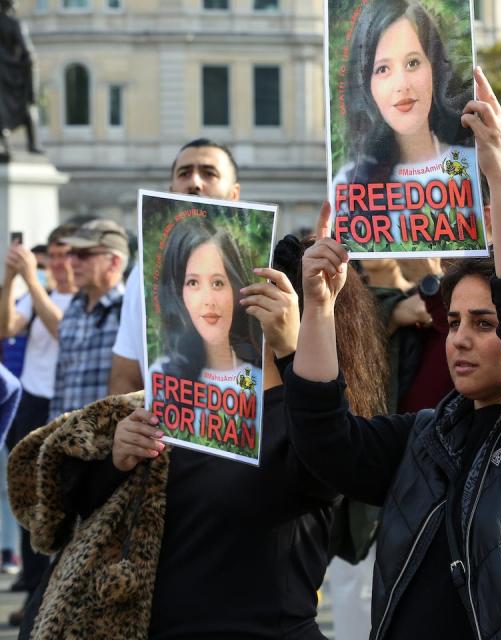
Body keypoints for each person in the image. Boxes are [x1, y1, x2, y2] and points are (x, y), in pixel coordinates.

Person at [284, 67, 501, 639]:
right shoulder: (426, 437)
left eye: (486, 323)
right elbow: (326, 440)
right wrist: (318, 309)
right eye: (456, 322)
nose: (460, 338)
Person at [10, 232, 389, 639]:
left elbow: (327, 457)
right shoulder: (173, 403)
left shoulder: (314, 423)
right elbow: (65, 517)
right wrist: (116, 459)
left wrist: (294, 347)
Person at [109, 138, 241, 395]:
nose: (194, 182)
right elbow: (125, 374)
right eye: (184, 173)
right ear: (171, 189)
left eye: (209, 173)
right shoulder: (142, 273)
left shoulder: (259, 270)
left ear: (234, 194)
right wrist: (124, 427)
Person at [336, 0, 475, 241]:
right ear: (367, 85)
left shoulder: (476, 168)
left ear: (435, 68)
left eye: (413, 63)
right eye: (382, 69)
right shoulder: (349, 185)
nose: (402, 85)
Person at [0, 224, 78, 621]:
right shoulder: (38, 293)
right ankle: (32, 589)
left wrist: (30, 280)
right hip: (32, 398)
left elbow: (60, 329)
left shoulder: (77, 299)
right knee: (28, 495)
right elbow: (6, 327)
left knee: (61, 498)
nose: (62, 264)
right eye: (56, 256)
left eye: (68, 255)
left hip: (63, 400)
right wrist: (11, 279)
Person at [145, 217, 263, 429]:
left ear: (236, 290)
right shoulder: (163, 377)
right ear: (179, 293)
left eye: (218, 283)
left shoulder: (264, 378)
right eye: (193, 283)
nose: (208, 300)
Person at [49, 219, 127, 421]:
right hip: (66, 442)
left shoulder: (129, 311)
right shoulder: (74, 309)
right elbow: (61, 382)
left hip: (109, 445)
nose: (72, 262)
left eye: (83, 254)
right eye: (71, 253)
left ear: (114, 262)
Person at [0, 0, 42, 158]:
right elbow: (26, 50)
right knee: (28, 106)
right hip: (11, 72)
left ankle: (5, 144)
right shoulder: (14, 24)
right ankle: (33, 144)